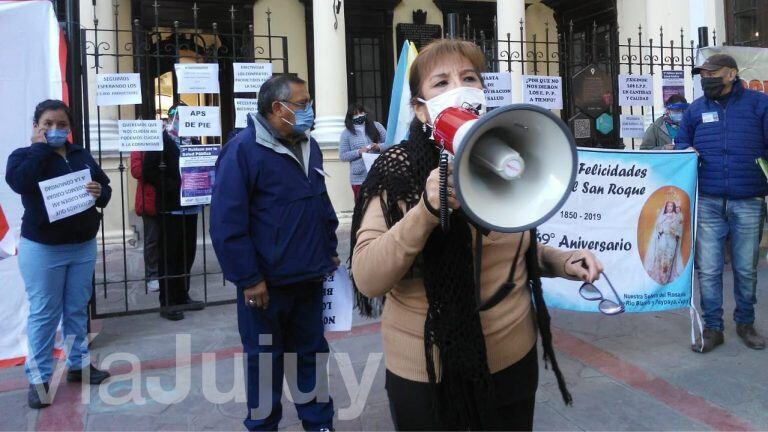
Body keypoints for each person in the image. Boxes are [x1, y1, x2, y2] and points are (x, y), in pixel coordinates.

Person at [349, 39, 604, 431]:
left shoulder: (503, 151)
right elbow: (367, 278)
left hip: (511, 358)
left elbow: (515, 250)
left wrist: (561, 261)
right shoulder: (397, 170)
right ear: (419, 107)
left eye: (469, 77)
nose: (459, 88)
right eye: (441, 82)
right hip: (428, 370)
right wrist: (426, 212)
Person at [210, 75, 339, 431]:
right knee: (265, 363)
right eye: (302, 104)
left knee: (311, 356)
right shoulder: (242, 151)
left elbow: (320, 202)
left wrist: (328, 248)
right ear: (277, 109)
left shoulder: (308, 145)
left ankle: (319, 423)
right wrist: (249, 279)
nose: (309, 111)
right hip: (265, 289)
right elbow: (226, 223)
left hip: (309, 279)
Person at [5, 99, 112, 409]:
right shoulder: (24, 157)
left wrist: (98, 191)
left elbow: (104, 189)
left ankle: (78, 365)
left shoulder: (80, 155)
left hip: (82, 246)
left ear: (70, 128)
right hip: (44, 250)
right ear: (36, 127)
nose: (55, 129)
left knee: (77, 308)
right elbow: (19, 183)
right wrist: (41, 148)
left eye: (61, 125)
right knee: (44, 313)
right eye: (48, 124)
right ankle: (38, 378)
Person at [675, 53, 768, 352]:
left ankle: (745, 323)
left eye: (712, 73)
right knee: (711, 269)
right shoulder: (695, 110)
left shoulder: (759, 104)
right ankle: (713, 328)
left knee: (745, 268)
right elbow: (680, 143)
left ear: (731, 74)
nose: (706, 79)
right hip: (708, 201)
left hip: (749, 199)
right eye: (703, 74)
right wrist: (685, 149)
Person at [142, 104, 205, 321]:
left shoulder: (194, 140)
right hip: (170, 206)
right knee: (170, 254)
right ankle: (167, 302)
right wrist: (172, 185)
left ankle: (182, 295)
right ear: (174, 118)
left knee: (187, 252)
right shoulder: (161, 140)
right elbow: (148, 170)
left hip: (191, 205)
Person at [338, 103, 387, 200]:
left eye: (361, 112)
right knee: (361, 208)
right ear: (350, 117)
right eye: (355, 114)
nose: (359, 116)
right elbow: (343, 156)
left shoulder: (377, 126)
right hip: (359, 179)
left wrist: (378, 147)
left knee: (379, 205)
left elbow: (391, 144)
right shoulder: (346, 133)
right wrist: (359, 152)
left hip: (379, 173)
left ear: (365, 113)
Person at [130, 151, 160, 292]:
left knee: (168, 239)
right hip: (149, 200)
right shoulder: (140, 143)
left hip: (169, 198)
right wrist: (158, 165)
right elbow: (136, 171)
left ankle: (166, 272)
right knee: (152, 240)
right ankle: (152, 275)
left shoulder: (170, 139)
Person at [643, 200, 684, 284]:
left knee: (669, 257)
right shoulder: (662, 216)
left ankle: (666, 277)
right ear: (666, 207)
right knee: (660, 256)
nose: (669, 208)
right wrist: (661, 230)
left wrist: (674, 232)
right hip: (663, 238)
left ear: (673, 207)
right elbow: (657, 228)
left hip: (672, 240)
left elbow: (679, 230)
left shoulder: (677, 217)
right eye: (668, 206)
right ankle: (660, 277)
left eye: (671, 206)